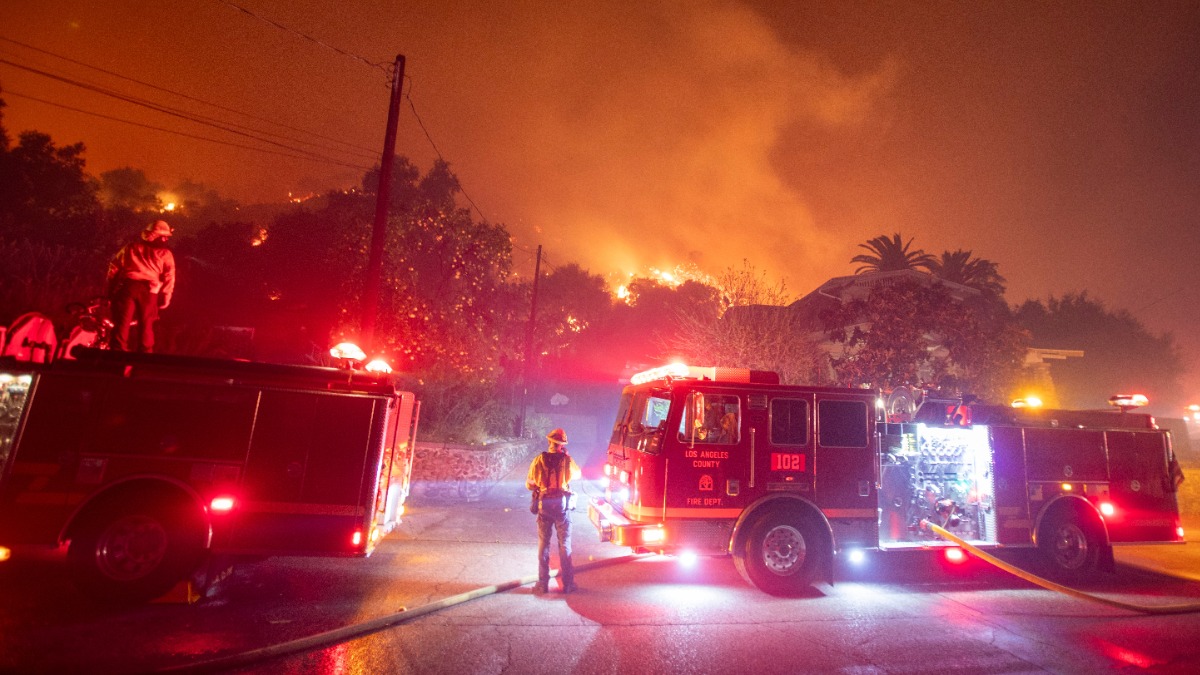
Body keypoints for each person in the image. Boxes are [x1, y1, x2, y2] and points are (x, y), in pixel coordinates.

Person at [107, 220, 176, 353]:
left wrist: (110, 289)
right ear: (157, 236)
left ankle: (117, 354)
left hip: (128, 288)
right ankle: (145, 356)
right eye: (165, 237)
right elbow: (169, 277)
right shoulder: (165, 254)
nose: (166, 239)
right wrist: (166, 297)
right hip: (150, 292)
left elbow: (113, 267)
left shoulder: (131, 247)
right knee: (146, 325)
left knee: (122, 324)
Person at [526, 427, 581, 594]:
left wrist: (541, 484)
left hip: (544, 506)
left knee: (543, 544)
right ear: (562, 444)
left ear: (549, 441)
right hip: (562, 507)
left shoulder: (538, 460)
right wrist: (567, 457)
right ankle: (568, 585)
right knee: (564, 545)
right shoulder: (567, 460)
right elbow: (577, 475)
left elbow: (529, 484)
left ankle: (543, 584)